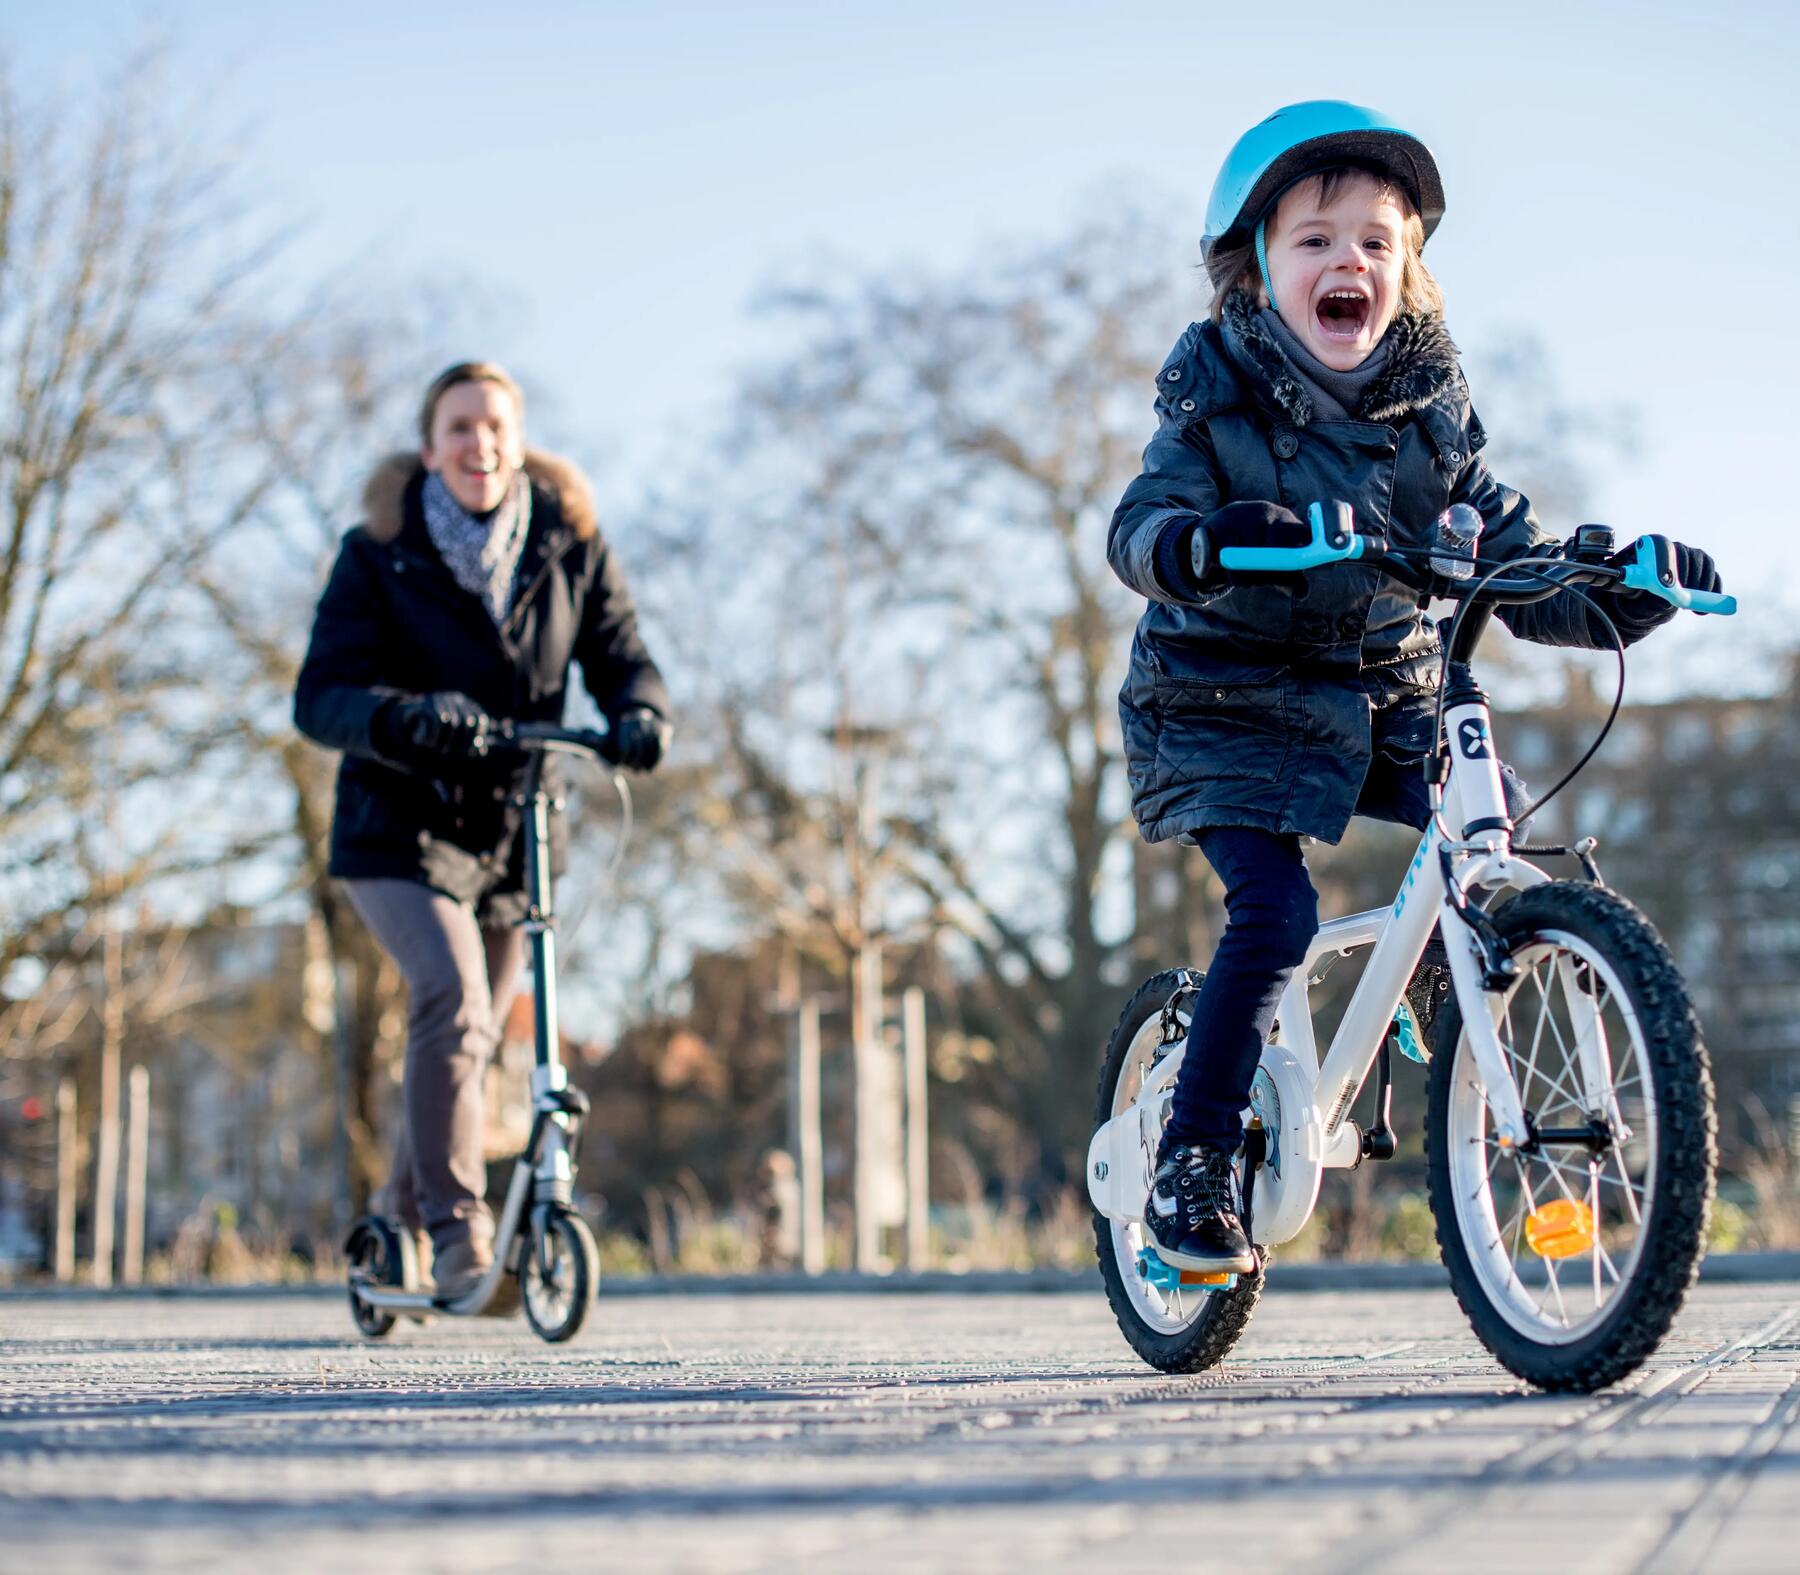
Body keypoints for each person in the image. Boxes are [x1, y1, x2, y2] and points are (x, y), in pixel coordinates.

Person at [1107, 102, 1724, 1273]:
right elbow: (1143, 525)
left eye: (1378, 242)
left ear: (1410, 274)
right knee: (1278, 914)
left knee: (1492, 843)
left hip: (1385, 695)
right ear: (1253, 273)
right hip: (1223, 702)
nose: (1350, 261)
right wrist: (1203, 541)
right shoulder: (1213, 407)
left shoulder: (1433, 424)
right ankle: (1193, 1160)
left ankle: (1479, 1043)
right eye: (1315, 240)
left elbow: (1515, 564)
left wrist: (1622, 591)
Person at [294, 361, 669, 1299]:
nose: (479, 443)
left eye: (495, 425)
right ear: (430, 447)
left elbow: (622, 653)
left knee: (477, 1035)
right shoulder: (379, 549)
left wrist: (640, 714)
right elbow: (321, 696)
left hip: (516, 825)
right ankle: (462, 1238)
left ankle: (391, 1223)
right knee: (452, 999)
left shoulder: (569, 543)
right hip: (400, 824)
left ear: (519, 438)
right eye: (459, 428)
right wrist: (403, 716)